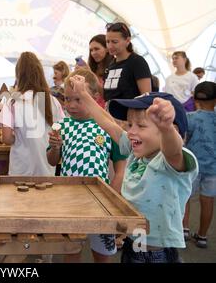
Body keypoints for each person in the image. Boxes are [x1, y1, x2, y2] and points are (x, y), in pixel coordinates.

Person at [71, 74, 198, 263]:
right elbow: (109, 124)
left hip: (157, 254)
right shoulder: (135, 152)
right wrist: (83, 94)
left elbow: (173, 150)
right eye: (130, 124)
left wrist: (166, 129)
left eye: (141, 125)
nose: (131, 131)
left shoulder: (169, 162)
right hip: (133, 245)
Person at [46, 69, 127, 263]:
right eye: (67, 99)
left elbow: (120, 169)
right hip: (69, 200)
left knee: (102, 253)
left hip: (101, 200)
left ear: (94, 97)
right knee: (71, 250)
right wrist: (55, 148)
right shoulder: (62, 125)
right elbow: (51, 161)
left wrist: (113, 200)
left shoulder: (107, 127)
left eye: (78, 99)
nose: (71, 105)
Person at [0, 51, 64, 176]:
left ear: (18, 74)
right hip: (47, 169)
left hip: (20, 169)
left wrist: (20, 137)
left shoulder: (12, 102)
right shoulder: (53, 101)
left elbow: (6, 139)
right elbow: (61, 130)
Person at [182, 81, 216, 248]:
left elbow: (183, 140)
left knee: (185, 197)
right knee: (208, 201)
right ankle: (202, 236)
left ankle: (184, 229)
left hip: (192, 166)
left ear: (195, 99)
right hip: (214, 169)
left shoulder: (190, 117)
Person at [104, 22, 152, 101]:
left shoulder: (137, 62)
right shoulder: (111, 65)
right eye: (107, 41)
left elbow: (146, 96)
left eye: (114, 42)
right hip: (109, 112)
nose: (110, 46)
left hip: (130, 112)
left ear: (127, 40)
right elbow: (107, 95)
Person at [88, 34, 114, 108]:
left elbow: (107, 95)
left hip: (106, 112)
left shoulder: (113, 68)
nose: (93, 53)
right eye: (91, 50)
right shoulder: (92, 68)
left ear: (107, 49)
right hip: (90, 110)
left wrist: (90, 73)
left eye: (96, 49)